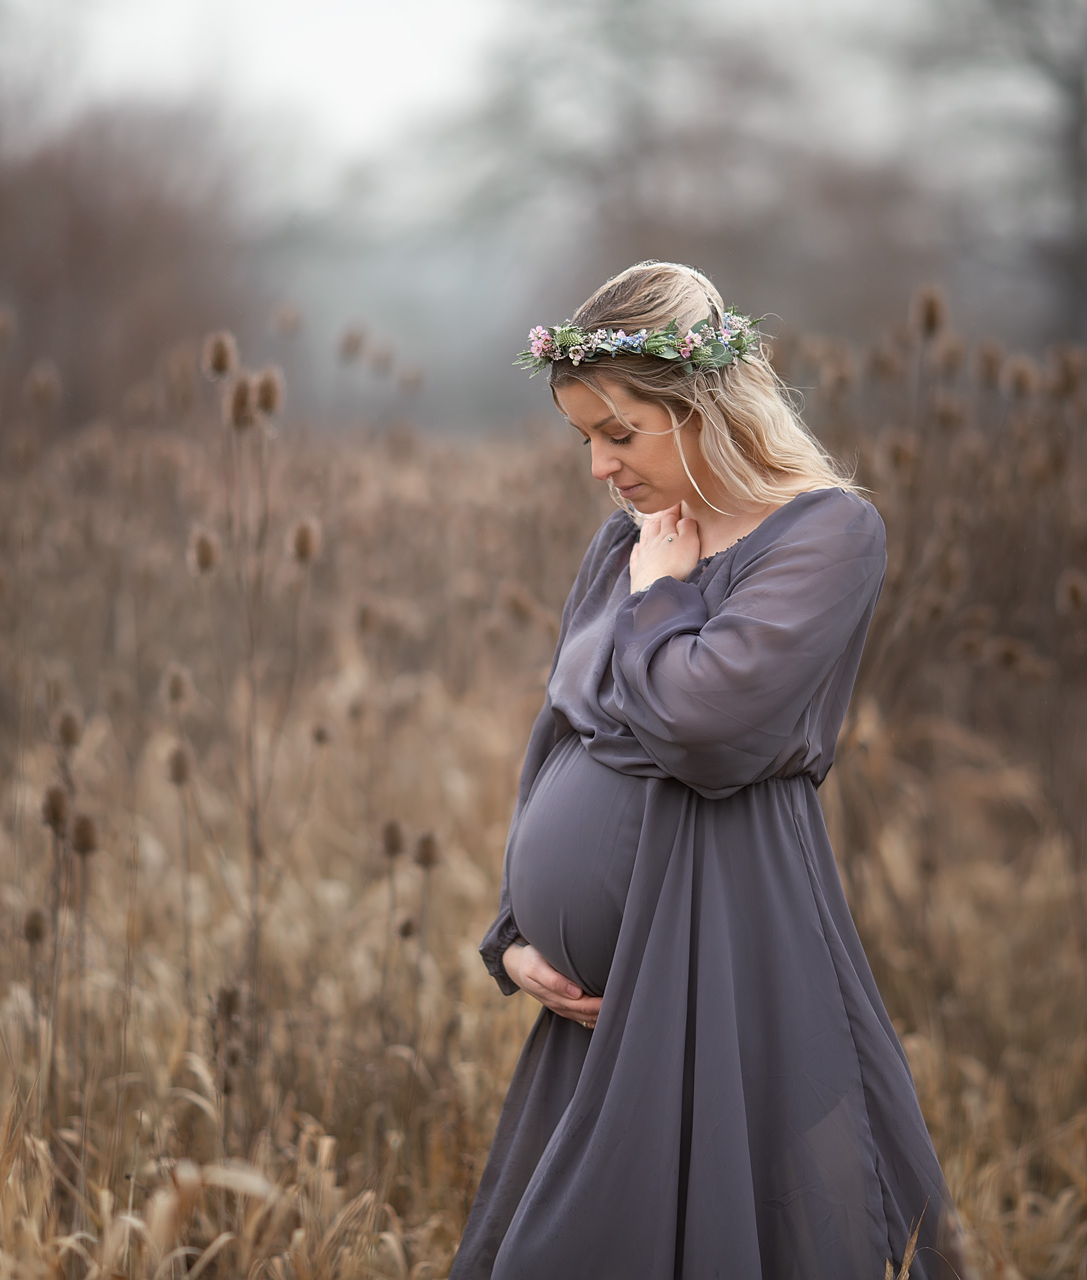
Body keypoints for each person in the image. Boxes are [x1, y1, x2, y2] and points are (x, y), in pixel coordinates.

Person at [449, 262, 965, 1280]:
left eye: (621, 433)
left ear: (705, 409)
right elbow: (559, 730)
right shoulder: (628, 539)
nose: (600, 466)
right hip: (596, 1009)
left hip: (724, 943)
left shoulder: (826, 533)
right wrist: (513, 933)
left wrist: (661, 597)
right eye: (583, 437)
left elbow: (703, 727)